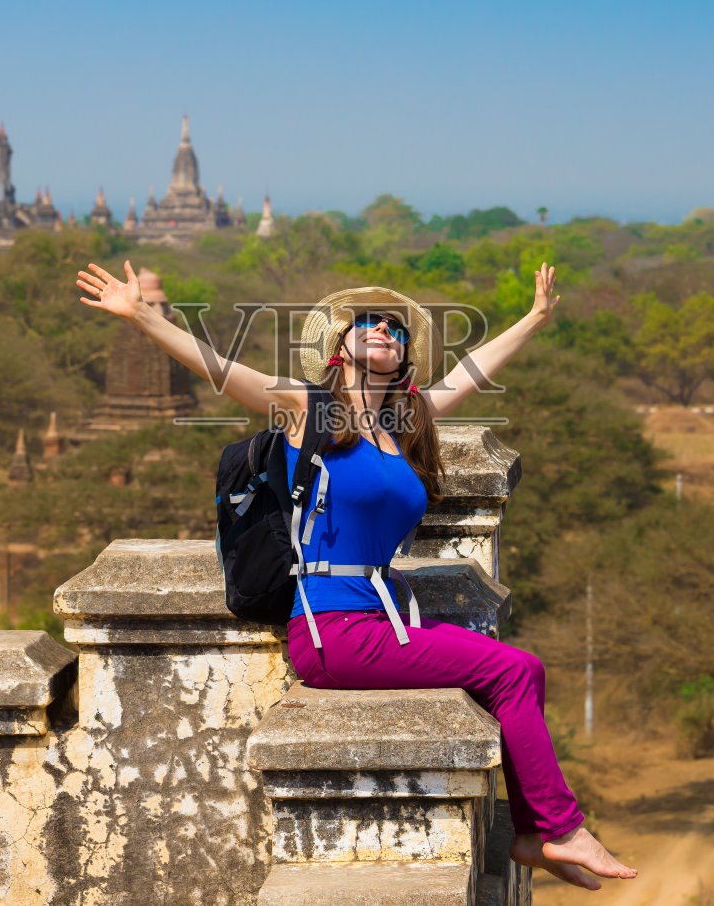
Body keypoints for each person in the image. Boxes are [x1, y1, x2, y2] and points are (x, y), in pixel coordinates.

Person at [77, 258, 637, 891]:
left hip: (376, 621)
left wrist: (533, 320)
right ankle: (560, 830)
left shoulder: (406, 422)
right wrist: (142, 316)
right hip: (330, 631)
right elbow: (220, 369)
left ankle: (539, 834)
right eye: (367, 322)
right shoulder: (307, 410)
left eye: (395, 329)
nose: (383, 331)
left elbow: (470, 373)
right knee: (510, 669)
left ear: (403, 359)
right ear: (338, 346)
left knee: (522, 669)